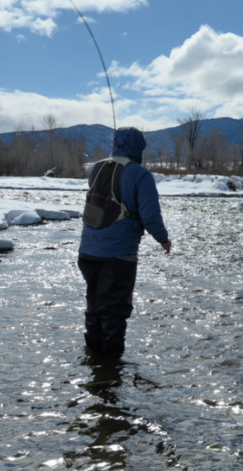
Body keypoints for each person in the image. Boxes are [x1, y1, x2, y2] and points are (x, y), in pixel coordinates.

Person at [78, 127, 171, 361]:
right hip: (118, 255)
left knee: (95, 307)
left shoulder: (96, 169)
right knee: (114, 312)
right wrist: (163, 240)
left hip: (87, 252)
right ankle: (110, 369)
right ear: (138, 148)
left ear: (115, 144)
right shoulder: (140, 175)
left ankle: (93, 359)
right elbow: (150, 216)